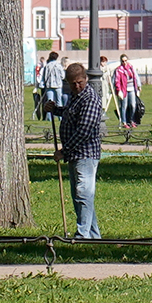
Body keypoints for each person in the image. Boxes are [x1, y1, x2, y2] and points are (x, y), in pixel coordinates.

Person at [56, 61, 104, 239]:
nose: (76, 86)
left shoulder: (90, 99)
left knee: (84, 194)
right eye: (72, 83)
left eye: (80, 82)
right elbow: (71, 114)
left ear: (86, 79)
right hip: (74, 154)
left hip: (86, 154)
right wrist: (55, 110)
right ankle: (93, 235)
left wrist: (64, 150)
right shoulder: (75, 97)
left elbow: (84, 130)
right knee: (80, 196)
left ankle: (82, 234)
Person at [112, 55, 142, 134]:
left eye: (125, 60)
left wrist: (139, 86)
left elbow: (136, 77)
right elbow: (117, 81)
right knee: (124, 106)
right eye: (123, 61)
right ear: (121, 61)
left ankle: (132, 120)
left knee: (133, 105)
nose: (124, 62)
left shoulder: (131, 67)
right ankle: (124, 122)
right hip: (123, 90)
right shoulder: (119, 70)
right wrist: (118, 90)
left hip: (132, 89)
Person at [40, 51, 66, 126]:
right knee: (59, 101)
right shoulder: (59, 66)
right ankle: (60, 118)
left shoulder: (47, 66)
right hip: (58, 85)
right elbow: (63, 76)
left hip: (49, 85)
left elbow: (44, 77)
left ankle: (49, 118)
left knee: (49, 102)